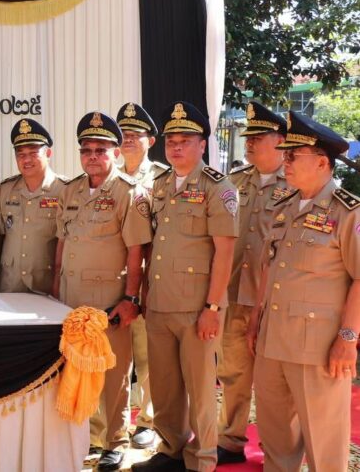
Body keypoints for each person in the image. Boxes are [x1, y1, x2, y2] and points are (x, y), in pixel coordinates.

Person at [245, 111, 359, 471]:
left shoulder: (348, 213)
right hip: (273, 340)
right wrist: (256, 318)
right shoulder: (285, 207)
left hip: (317, 349)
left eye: (294, 155)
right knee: (276, 438)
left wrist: (348, 338)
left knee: (324, 445)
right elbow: (269, 268)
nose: (286, 161)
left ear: (322, 162)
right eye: (286, 155)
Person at [133, 102, 238, 472]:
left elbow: (225, 253)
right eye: (171, 141)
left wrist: (213, 308)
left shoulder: (218, 187)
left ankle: (203, 459)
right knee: (165, 387)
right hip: (161, 304)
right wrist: (146, 294)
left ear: (202, 144)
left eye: (185, 141)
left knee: (200, 389)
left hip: (197, 309)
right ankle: (171, 449)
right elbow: (155, 246)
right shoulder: (160, 185)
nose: (176, 147)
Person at [53, 112, 152, 471]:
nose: (92, 156)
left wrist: (131, 299)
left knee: (114, 375)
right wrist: (54, 293)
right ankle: (88, 437)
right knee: (77, 370)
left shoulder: (129, 192)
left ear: (115, 152)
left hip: (109, 302)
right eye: (86, 150)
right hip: (71, 299)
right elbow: (62, 244)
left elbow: (137, 250)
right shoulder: (71, 190)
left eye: (101, 150)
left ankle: (115, 440)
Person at [216, 101, 288, 465]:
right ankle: (230, 439)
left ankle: (280, 452)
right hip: (235, 293)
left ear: (280, 141)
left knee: (276, 382)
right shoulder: (236, 180)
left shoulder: (297, 183)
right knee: (232, 372)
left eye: (258, 137)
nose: (249, 143)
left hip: (275, 301)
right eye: (249, 137)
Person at [115, 101, 168, 450]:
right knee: (118, 357)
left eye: (136, 134)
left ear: (150, 141)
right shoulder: (109, 176)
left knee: (148, 355)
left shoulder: (163, 178)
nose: (129, 139)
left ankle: (147, 420)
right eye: (123, 134)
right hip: (114, 277)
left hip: (150, 280)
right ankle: (114, 423)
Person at [0, 118, 65, 293]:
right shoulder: (5, 189)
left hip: (46, 284)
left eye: (33, 153)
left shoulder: (65, 190)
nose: (26, 159)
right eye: (21, 154)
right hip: (10, 284)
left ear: (48, 153)